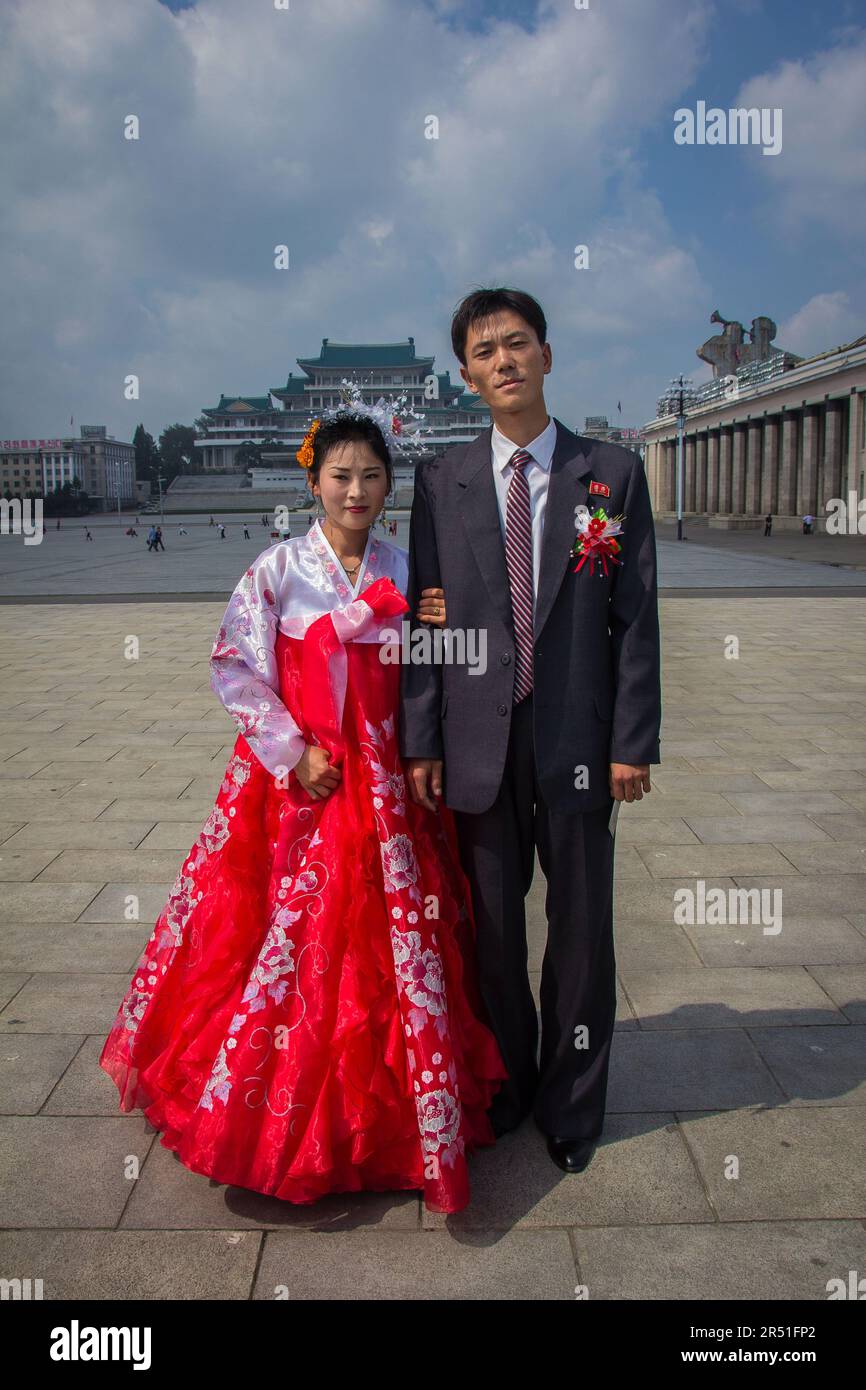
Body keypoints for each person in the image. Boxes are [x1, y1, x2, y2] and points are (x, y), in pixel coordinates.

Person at [99, 409, 506, 1213]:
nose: (356, 491)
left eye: (371, 476)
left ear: (390, 485)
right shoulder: (279, 569)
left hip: (386, 789)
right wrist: (294, 750)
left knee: (390, 947)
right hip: (301, 785)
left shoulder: (408, 568)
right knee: (287, 935)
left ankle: (393, 1120)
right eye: (340, 476)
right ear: (312, 481)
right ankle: (268, 1115)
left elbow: (438, 667)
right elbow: (236, 666)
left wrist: (440, 648)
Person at [400, 287, 662, 1175]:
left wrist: (632, 741)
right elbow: (425, 625)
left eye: (518, 344)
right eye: (485, 350)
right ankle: (508, 1084)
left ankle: (573, 1104)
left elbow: (634, 617)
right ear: (467, 374)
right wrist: (423, 739)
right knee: (494, 935)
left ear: (547, 355)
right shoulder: (442, 481)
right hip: (479, 741)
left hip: (580, 742)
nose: (504, 360)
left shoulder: (610, 474)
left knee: (582, 931)